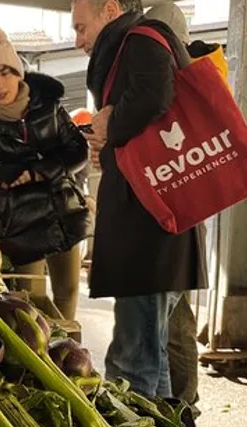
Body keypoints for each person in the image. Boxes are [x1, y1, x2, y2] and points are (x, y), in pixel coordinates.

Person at [72, 0, 207, 398]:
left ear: (110, 10)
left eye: (82, 28)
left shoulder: (141, 40)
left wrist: (108, 123)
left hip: (150, 230)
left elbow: (153, 96)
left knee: (133, 361)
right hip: (156, 227)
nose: (79, 41)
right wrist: (108, 139)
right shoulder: (128, 47)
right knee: (152, 354)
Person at [0, 28, 91, 322]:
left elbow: (78, 151)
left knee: (67, 293)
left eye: (5, 73)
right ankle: (38, 359)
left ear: (19, 74)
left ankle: (68, 356)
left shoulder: (49, 106)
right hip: (18, 222)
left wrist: (37, 172)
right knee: (27, 303)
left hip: (62, 212)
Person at [146, 0, 229, 406]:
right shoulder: (194, 75)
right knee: (170, 318)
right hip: (171, 213)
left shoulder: (193, 80)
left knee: (164, 318)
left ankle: (175, 406)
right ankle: (179, 401)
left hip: (177, 216)